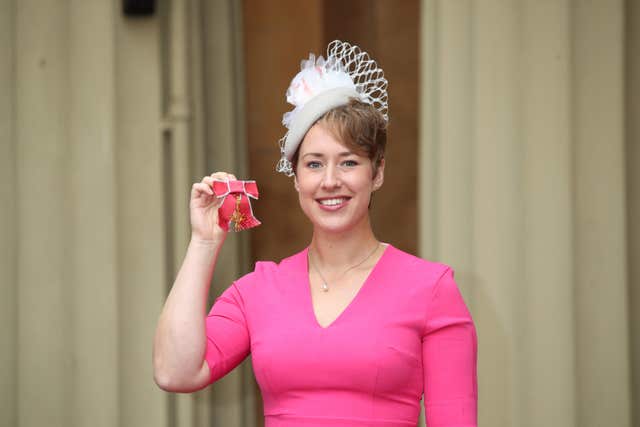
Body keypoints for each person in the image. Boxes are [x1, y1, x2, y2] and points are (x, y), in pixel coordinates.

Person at [153, 40, 478, 427]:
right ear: (296, 178)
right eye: (313, 164)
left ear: (377, 174)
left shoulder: (432, 289)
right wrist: (204, 242)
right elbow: (175, 372)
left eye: (349, 163)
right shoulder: (257, 290)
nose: (330, 181)